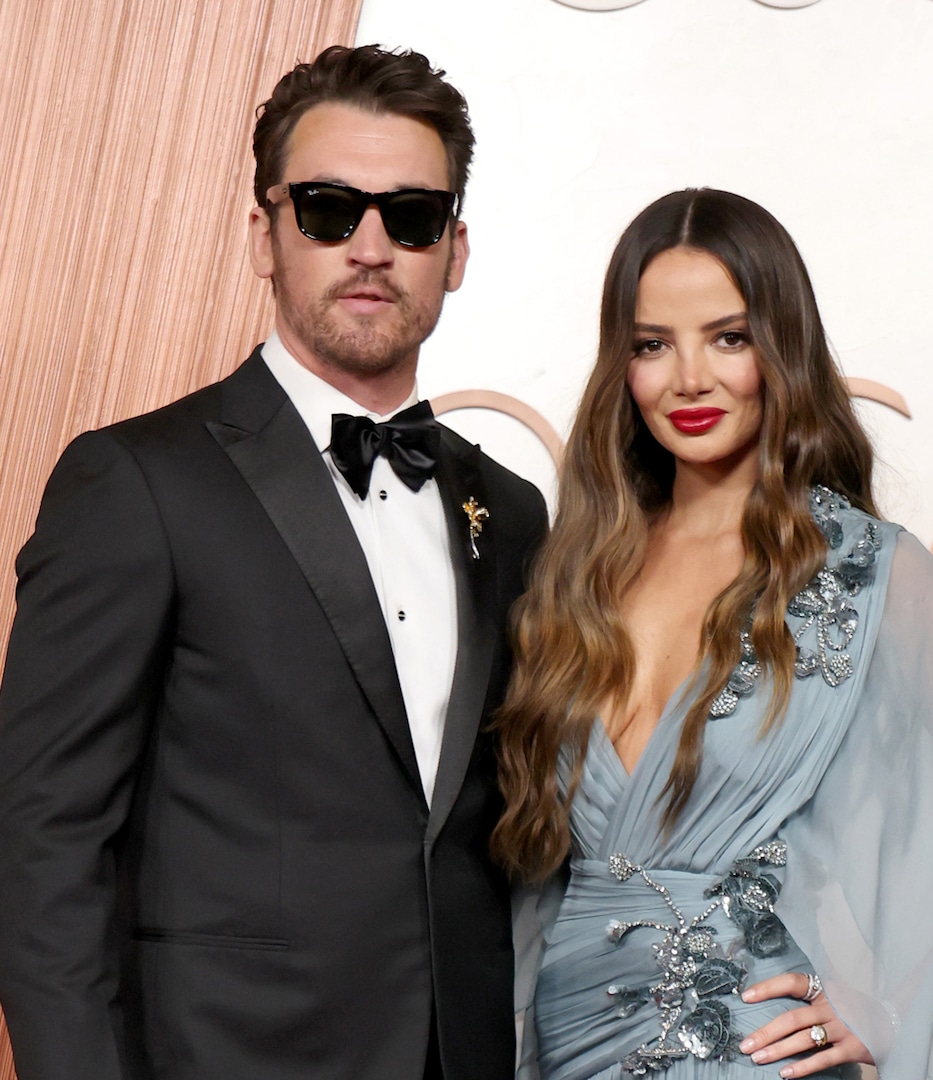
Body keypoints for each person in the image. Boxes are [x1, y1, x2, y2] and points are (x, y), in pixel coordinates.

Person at [0, 45, 547, 1080]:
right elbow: (42, 842)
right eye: (329, 211)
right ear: (265, 235)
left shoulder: (510, 513)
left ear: (455, 250)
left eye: (412, 218)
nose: (371, 248)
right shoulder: (138, 484)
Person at [493, 189, 933, 1079]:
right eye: (653, 345)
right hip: (566, 1043)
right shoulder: (576, 573)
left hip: (750, 1051)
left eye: (728, 338)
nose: (690, 378)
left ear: (782, 348)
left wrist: (891, 1007)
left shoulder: (863, 570)